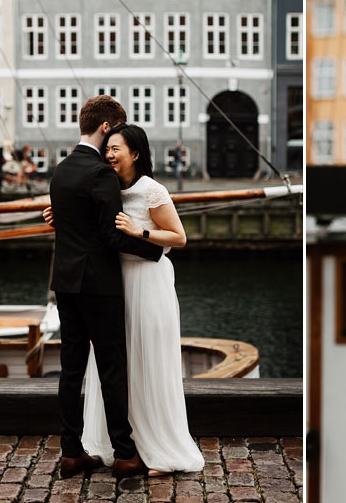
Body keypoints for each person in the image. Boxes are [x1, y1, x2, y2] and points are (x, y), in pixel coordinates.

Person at [47, 95, 165, 479]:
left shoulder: (61, 169)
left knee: (71, 369)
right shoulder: (99, 173)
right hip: (98, 284)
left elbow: (70, 222)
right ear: (105, 127)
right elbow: (111, 236)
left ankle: (70, 452)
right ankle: (126, 454)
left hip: (64, 283)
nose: (114, 141)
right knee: (111, 368)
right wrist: (154, 250)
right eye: (114, 132)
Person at [76, 123, 204, 475]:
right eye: (108, 148)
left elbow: (179, 238)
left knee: (149, 362)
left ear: (135, 153)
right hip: (116, 284)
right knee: (121, 366)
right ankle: (121, 444)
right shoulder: (107, 188)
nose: (110, 154)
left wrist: (141, 231)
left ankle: (161, 449)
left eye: (117, 148)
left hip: (148, 282)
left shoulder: (152, 190)